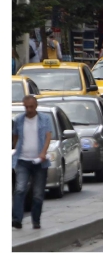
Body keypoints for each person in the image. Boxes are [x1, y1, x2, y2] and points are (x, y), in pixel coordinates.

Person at [12, 96, 52, 229]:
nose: (28, 109)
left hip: (39, 162)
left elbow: (47, 137)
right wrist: (15, 149)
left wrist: (43, 153)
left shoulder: (44, 119)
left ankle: (36, 220)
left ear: (36, 106)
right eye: (26, 107)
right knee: (19, 189)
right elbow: (15, 136)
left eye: (31, 107)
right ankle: (17, 219)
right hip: (23, 160)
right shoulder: (19, 119)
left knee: (38, 193)